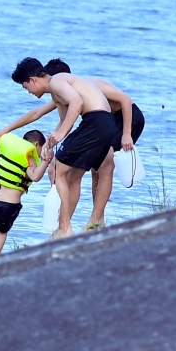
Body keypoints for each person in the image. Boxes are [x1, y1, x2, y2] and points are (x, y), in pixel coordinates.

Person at [0, 58, 116, 238]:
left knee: (57, 170)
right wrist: (49, 145)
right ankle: (71, 225)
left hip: (95, 123)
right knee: (65, 172)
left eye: (26, 87)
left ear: (33, 80)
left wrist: (62, 133)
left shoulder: (56, 81)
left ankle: (64, 228)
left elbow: (77, 103)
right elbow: (64, 120)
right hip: (103, 125)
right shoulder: (56, 93)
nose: (29, 92)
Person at [42, 58, 144, 229]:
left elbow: (126, 100)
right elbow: (40, 114)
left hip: (128, 118)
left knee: (105, 165)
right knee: (95, 169)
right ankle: (97, 219)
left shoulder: (90, 85)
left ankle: (96, 220)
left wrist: (126, 134)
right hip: (106, 122)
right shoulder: (66, 94)